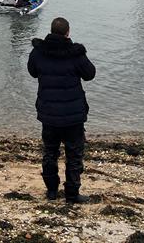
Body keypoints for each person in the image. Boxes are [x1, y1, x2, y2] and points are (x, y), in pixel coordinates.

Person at [27, 17, 96, 204]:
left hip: (49, 113)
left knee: (50, 152)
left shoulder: (38, 52)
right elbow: (90, 74)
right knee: (74, 155)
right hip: (73, 116)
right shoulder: (75, 53)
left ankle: (51, 191)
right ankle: (72, 194)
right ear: (67, 33)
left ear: (51, 31)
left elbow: (32, 71)